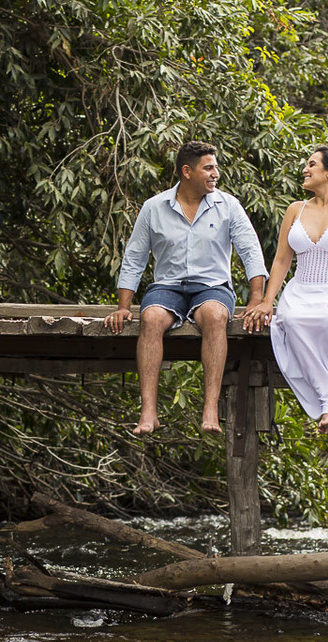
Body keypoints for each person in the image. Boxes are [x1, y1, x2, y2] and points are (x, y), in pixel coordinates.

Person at [106, 141, 268, 434]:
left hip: (212, 286)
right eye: (209, 168)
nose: (216, 174)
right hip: (167, 286)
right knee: (150, 318)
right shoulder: (154, 208)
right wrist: (123, 307)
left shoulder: (228, 206)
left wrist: (256, 299)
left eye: (216, 167)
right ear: (187, 171)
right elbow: (134, 257)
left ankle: (210, 410)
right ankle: (149, 412)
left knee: (215, 316)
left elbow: (251, 251)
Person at [239, 146, 328, 434]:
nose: (305, 169)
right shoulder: (295, 209)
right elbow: (281, 260)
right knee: (290, 321)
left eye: (312, 164)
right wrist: (268, 300)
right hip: (301, 290)